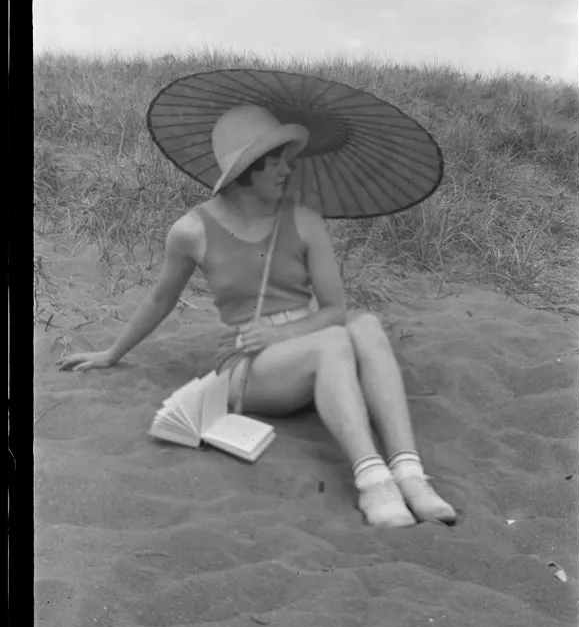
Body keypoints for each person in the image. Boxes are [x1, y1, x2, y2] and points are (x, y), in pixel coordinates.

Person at [58, 105, 456, 529]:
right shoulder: (192, 231)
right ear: (245, 170)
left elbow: (335, 310)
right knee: (335, 342)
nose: (287, 171)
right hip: (252, 365)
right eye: (275, 163)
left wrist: (283, 330)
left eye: (288, 160)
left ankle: (410, 472)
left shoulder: (305, 221)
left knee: (365, 324)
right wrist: (111, 352)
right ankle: (372, 480)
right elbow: (160, 299)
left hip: (309, 342)